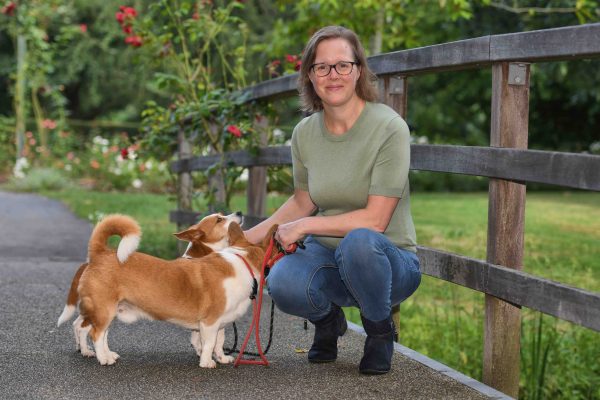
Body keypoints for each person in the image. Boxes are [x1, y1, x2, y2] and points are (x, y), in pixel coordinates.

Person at [244, 25, 421, 375]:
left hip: (387, 263)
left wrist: (306, 226)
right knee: (281, 281)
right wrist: (241, 241)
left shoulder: (390, 127)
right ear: (310, 76)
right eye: (321, 67)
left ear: (359, 70)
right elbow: (301, 202)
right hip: (329, 263)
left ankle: (380, 332)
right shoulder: (304, 133)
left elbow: (376, 221)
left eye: (343, 65)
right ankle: (328, 322)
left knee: (359, 242)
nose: (333, 75)